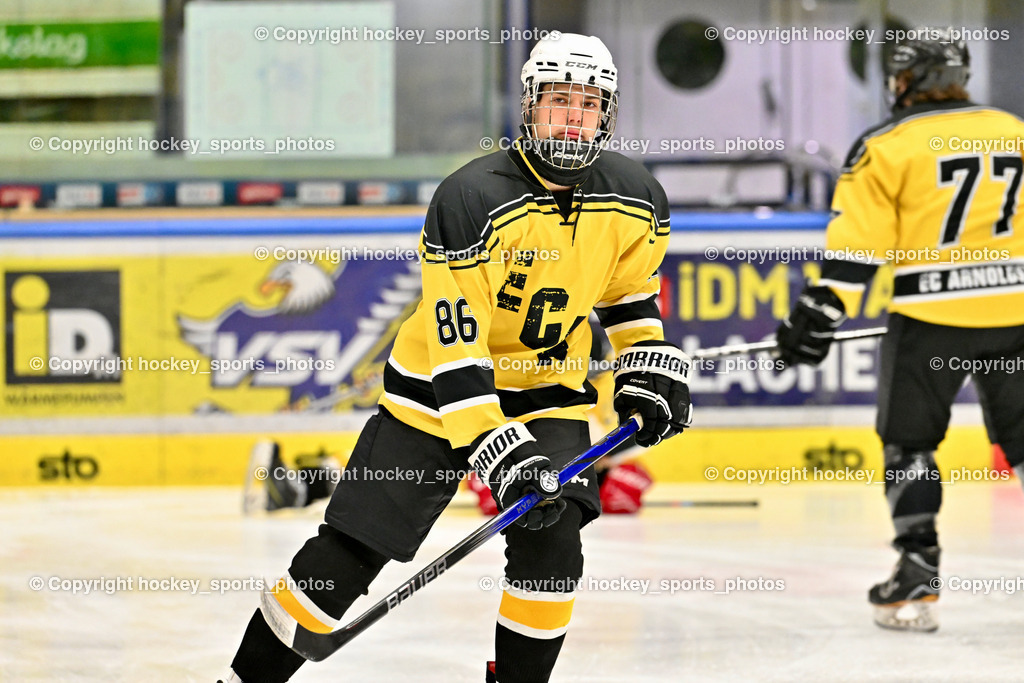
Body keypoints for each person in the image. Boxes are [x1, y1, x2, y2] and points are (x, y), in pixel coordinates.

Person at [223, 33, 692, 682]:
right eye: (558, 101)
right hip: (435, 396)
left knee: (552, 548)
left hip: (548, 392)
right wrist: (495, 446)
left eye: (588, 104)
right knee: (350, 552)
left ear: (608, 114)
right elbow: (456, 344)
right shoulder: (471, 198)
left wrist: (646, 368)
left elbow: (629, 301)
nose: (571, 118)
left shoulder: (638, 196)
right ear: (529, 106)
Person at [775, 28, 1024, 632]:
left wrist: (819, 314)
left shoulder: (886, 143)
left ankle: (916, 577)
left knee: (910, 444)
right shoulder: (1015, 130)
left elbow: (858, 248)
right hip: (1017, 314)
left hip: (931, 319)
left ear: (906, 80)